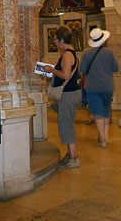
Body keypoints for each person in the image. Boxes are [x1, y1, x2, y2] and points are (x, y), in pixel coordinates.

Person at [42, 25, 81, 168]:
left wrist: (52, 69)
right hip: (71, 93)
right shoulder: (71, 53)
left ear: (62, 40)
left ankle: (74, 157)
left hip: (68, 95)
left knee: (66, 125)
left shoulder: (66, 54)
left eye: (56, 40)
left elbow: (65, 75)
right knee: (66, 123)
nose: (55, 43)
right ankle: (70, 154)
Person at [80, 28, 120, 148]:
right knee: (106, 110)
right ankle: (105, 136)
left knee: (97, 112)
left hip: (93, 86)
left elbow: (82, 69)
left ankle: (102, 137)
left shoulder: (87, 53)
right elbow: (116, 68)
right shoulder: (110, 52)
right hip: (107, 85)